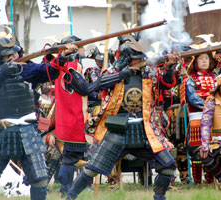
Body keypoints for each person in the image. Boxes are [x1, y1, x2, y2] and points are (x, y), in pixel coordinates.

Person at [0, 36, 76, 200]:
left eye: (15, 53)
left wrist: (62, 57)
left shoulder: (24, 69)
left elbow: (46, 72)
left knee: (40, 180)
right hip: (1, 133)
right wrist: (6, 68)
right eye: (9, 54)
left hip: (27, 131)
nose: (15, 56)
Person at [66, 41, 178, 200]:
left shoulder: (148, 72)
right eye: (135, 58)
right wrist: (122, 75)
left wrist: (170, 68)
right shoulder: (113, 71)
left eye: (140, 58)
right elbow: (98, 85)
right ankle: (70, 197)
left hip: (145, 129)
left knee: (168, 166)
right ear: (126, 59)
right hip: (117, 129)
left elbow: (166, 83)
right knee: (91, 169)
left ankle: (159, 197)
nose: (140, 61)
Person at [46, 35, 132, 196]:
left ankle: (74, 189)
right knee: (70, 158)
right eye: (81, 47)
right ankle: (68, 190)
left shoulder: (63, 67)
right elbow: (85, 89)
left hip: (69, 119)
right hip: (74, 120)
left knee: (72, 157)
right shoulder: (71, 67)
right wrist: (117, 76)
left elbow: (85, 93)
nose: (84, 50)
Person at [181, 52, 217, 184]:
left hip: (215, 118)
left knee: (212, 148)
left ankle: (210, 179)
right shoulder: (190, 79)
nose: (204, 61)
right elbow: (193, 98)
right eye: (201, 58)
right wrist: (210, 105)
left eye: (206, 58)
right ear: (195, 62)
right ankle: (197, 180)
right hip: (197, 118)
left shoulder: (216, 78)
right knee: (197, 149)